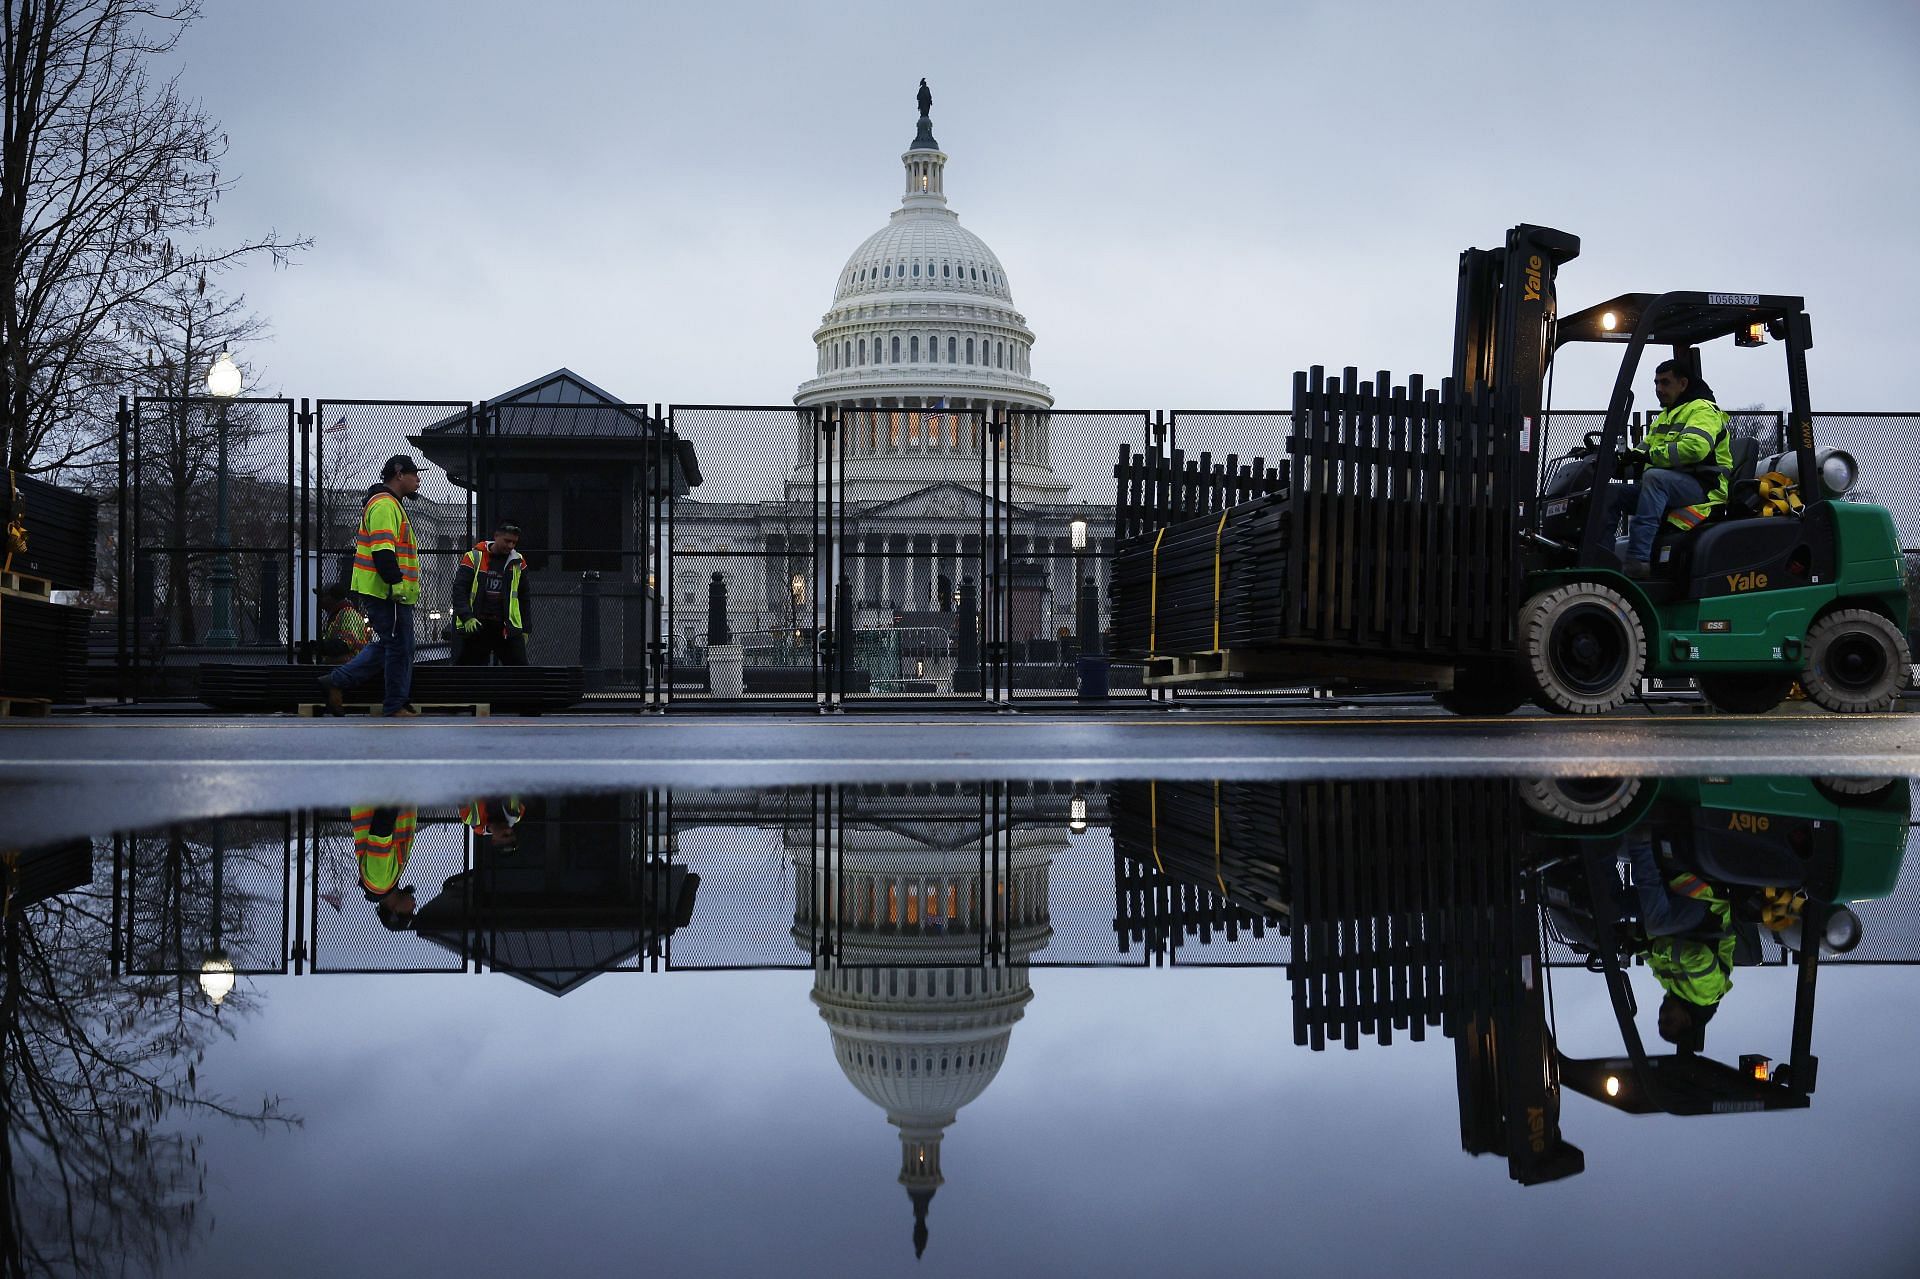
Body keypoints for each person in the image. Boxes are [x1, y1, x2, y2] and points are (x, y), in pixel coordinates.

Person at [1606, 359, 1733, 579]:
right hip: (1671, 485)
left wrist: (1649, 457)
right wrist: (1619, 465)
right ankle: (1601, 558)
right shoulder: (1666, 416)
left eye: (1665, 383)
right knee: (1609, 493)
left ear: (1683, 384)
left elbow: (1694, 449)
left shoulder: (1703, 409)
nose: (1658, 389)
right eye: (1656, 383)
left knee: (1655, 478)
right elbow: (1642, 455)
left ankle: (1638, 562)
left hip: (1704, 489)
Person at [319, 455, 422, 716]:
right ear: (399, 473)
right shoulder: (385, 505)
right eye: (414, 474)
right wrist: (396, 582)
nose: (418, 479)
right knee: (399, 646)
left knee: (392, 644)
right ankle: (395, 704)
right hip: (387, 591)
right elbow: (383, 550)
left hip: (384, 590)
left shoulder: (388, 504)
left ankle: (338, 681)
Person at [1622, 832, 1735, 1052]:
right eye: (1669, 1020)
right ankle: (1640, 841)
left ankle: (1584, 848)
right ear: (1686, 1021)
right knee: (1656, 923)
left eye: (1659, 1020)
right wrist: (1653, 946)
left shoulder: (1672, 989)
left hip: (1679, 915)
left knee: (1606, 908)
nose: (1662, 1015)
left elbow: (1652, 956)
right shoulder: (1707, 995)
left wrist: (1632, 943)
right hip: (1705, 907)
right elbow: (1698, 956)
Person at [452, 521, 531, 666]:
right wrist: (467, 617)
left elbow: (524, 596)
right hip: (478, 625)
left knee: (520, 673)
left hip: (506, 627)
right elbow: (459, 590)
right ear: (496, 536)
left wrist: (526, 628)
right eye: (507, 541)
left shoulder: (519, 562)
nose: (510, 546)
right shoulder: (474, 557)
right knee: (468, 673)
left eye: (514, 542)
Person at [353, 804, 420, 931]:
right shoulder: (389, 880)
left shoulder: (380, 880)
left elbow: (382, 826)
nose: (414, 906)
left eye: (409, 913)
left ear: (395, 911)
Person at [314, 583, 369, 663]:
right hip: (347, 664)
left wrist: (323, 647)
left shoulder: (348, 614)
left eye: (323, 596)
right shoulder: (337, 614)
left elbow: (346, 644)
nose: (320, 600)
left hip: (351, 666)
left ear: (331, 598)